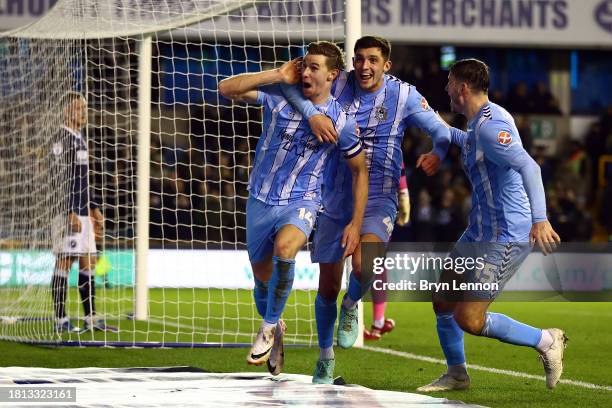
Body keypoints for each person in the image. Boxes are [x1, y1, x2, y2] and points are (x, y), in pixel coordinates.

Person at [281, 36, 451, 383]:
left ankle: (351, 306)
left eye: (372, 60)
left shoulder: (403, 95)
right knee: (327, 285)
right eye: (358, 59)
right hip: (333, 195)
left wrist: (440, 153)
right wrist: (313, 115)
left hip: (379, 195)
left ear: (386, 65)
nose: (364, 66)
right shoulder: (337, 81)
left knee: (366, 262)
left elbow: (442, 131)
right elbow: (293, 89)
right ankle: (325, 357)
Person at [218, 41, 368, 374]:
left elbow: (360, 169)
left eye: (314, 67)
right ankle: (276, 330)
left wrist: (356, 223)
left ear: (332, 75)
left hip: (302, 201)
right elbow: (225, 88)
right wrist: (276, 73)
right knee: (262, 285)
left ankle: (268, 327)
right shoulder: (279, 95)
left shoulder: (339, 122)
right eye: (304, 65)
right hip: (259, 199)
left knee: (286, 249)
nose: (306, 72)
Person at [417, 59, 565, 392]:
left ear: (462, 88)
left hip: (506, 236)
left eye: (449, 83)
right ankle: (457, 374)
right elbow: (469, 141)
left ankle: (546, 341)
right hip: (479, 231)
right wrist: (438, 130)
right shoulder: (478, 124)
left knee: (469, 318)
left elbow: (530, 167)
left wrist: (540, 219)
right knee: (442, 298)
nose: (446, 89)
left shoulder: (489, 125)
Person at [50, 92, 117, 333]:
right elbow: (58, 179)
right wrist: (69, 212)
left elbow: (83, 181)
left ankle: (91, 319)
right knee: (65, 263)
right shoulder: (61, 138)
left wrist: (94, 209)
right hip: (68, 213)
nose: (83, 112)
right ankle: (60, 320)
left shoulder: (80, 138)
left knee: (89, 263)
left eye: (84, 107)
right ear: (67, 110)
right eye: (78, 108)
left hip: (84, 212)